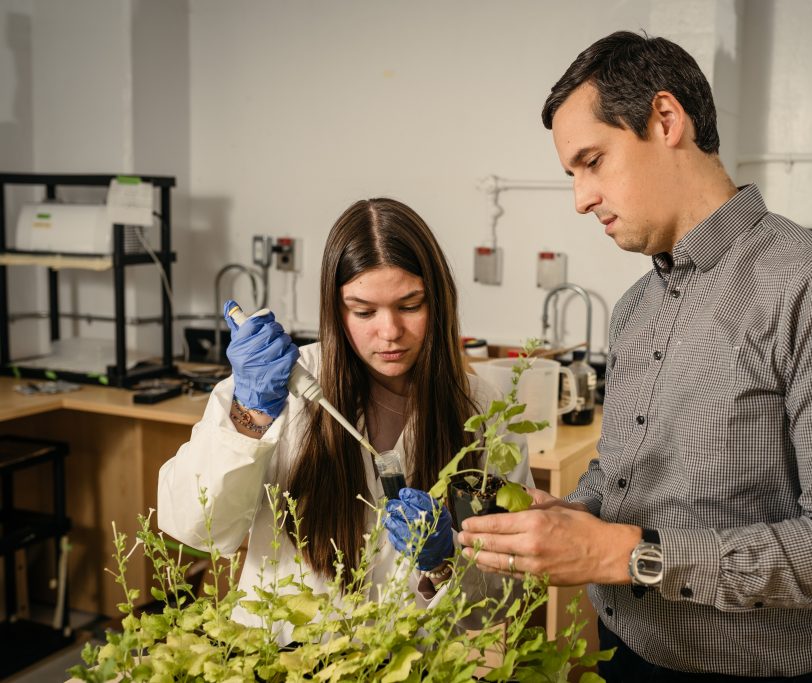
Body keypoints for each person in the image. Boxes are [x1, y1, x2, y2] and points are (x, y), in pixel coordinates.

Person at [457, 31, 812, 682]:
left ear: (666, 119)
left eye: (592, 161)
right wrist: (571, 514)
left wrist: (628, 555)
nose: (580, 198)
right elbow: (619, 474)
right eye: (571, 174)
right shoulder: (637, 304)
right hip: (623, 653)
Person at [158, 197, 532, 643]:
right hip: (280, 661)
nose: (390, 331)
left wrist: (445, 561)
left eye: (410, 305)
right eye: (364, 311)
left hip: (407, 666)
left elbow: (505, 597)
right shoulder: (281, 388)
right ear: (336, 311)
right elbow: (196, 527)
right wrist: (252, 415)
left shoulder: (480, 410)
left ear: (440, 301)